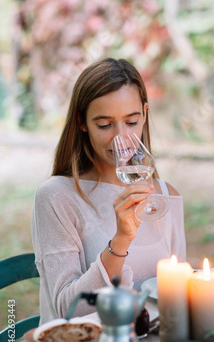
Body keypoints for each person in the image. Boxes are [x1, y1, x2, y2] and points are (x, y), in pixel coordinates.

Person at [31, 58, 186, 324]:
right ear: (82, 122)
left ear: (145, 114)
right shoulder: (56, 197)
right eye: (105, 125)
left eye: (131, 121)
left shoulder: (164, 195)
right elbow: (66, 309)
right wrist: (121, 240)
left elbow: (180, 289)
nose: (121, 138)